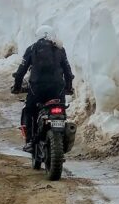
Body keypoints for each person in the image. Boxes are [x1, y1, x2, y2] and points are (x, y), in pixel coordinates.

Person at [11, 25, 74, 153]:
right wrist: (68, 88)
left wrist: (17, 87)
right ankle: (61, 138)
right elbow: (68, 72)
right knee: (61, 114)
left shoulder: (32, 49)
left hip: (37, 89)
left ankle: (29, 141)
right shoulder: (60, 49)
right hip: (57, 90)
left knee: (29, 111)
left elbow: (21, 72)